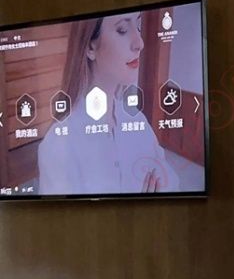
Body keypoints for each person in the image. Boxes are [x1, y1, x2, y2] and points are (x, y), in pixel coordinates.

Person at [37, 11, 178, 195]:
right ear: (90, 47)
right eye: (122, 30)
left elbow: (171, 180)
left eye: (138, 26)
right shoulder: (58, 146)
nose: (140, 43)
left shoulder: (137, 122)